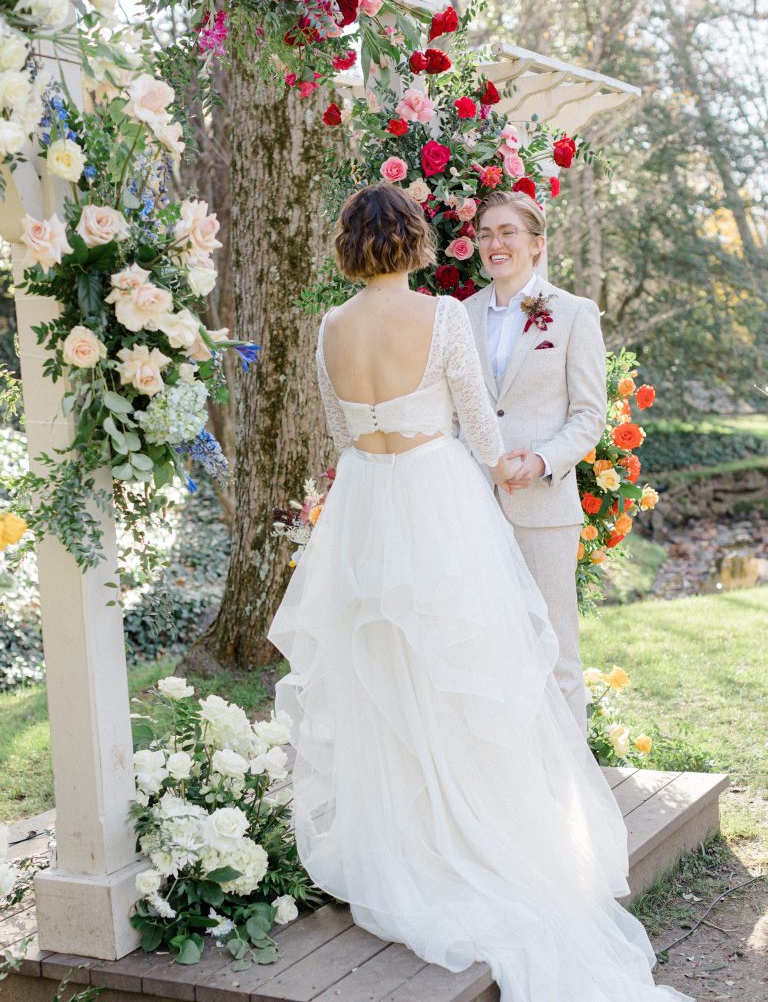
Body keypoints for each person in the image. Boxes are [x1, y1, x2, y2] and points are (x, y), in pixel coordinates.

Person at [268, 183, 692, 1002]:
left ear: (349, 247)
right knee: (469, 669)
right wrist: (498, 464)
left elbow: (335, 428)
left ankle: (404, 844)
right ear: (416, 243)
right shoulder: (442, 319)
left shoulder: (330, 328)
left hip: (365, 501)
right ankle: (484, 838)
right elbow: (484, 432)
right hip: (435, 497)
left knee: (384, 673)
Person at [463, 190, 607, 737]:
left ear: (537, 243)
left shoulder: (573, 313)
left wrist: (543, 460)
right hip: (473, 502)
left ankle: (573, 784)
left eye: (507, 233)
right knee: (485, 643)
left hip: (545, 508)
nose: (495, 244)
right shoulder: (459, 316)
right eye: (486, 234)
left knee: (555, 646)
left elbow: (589, 414)